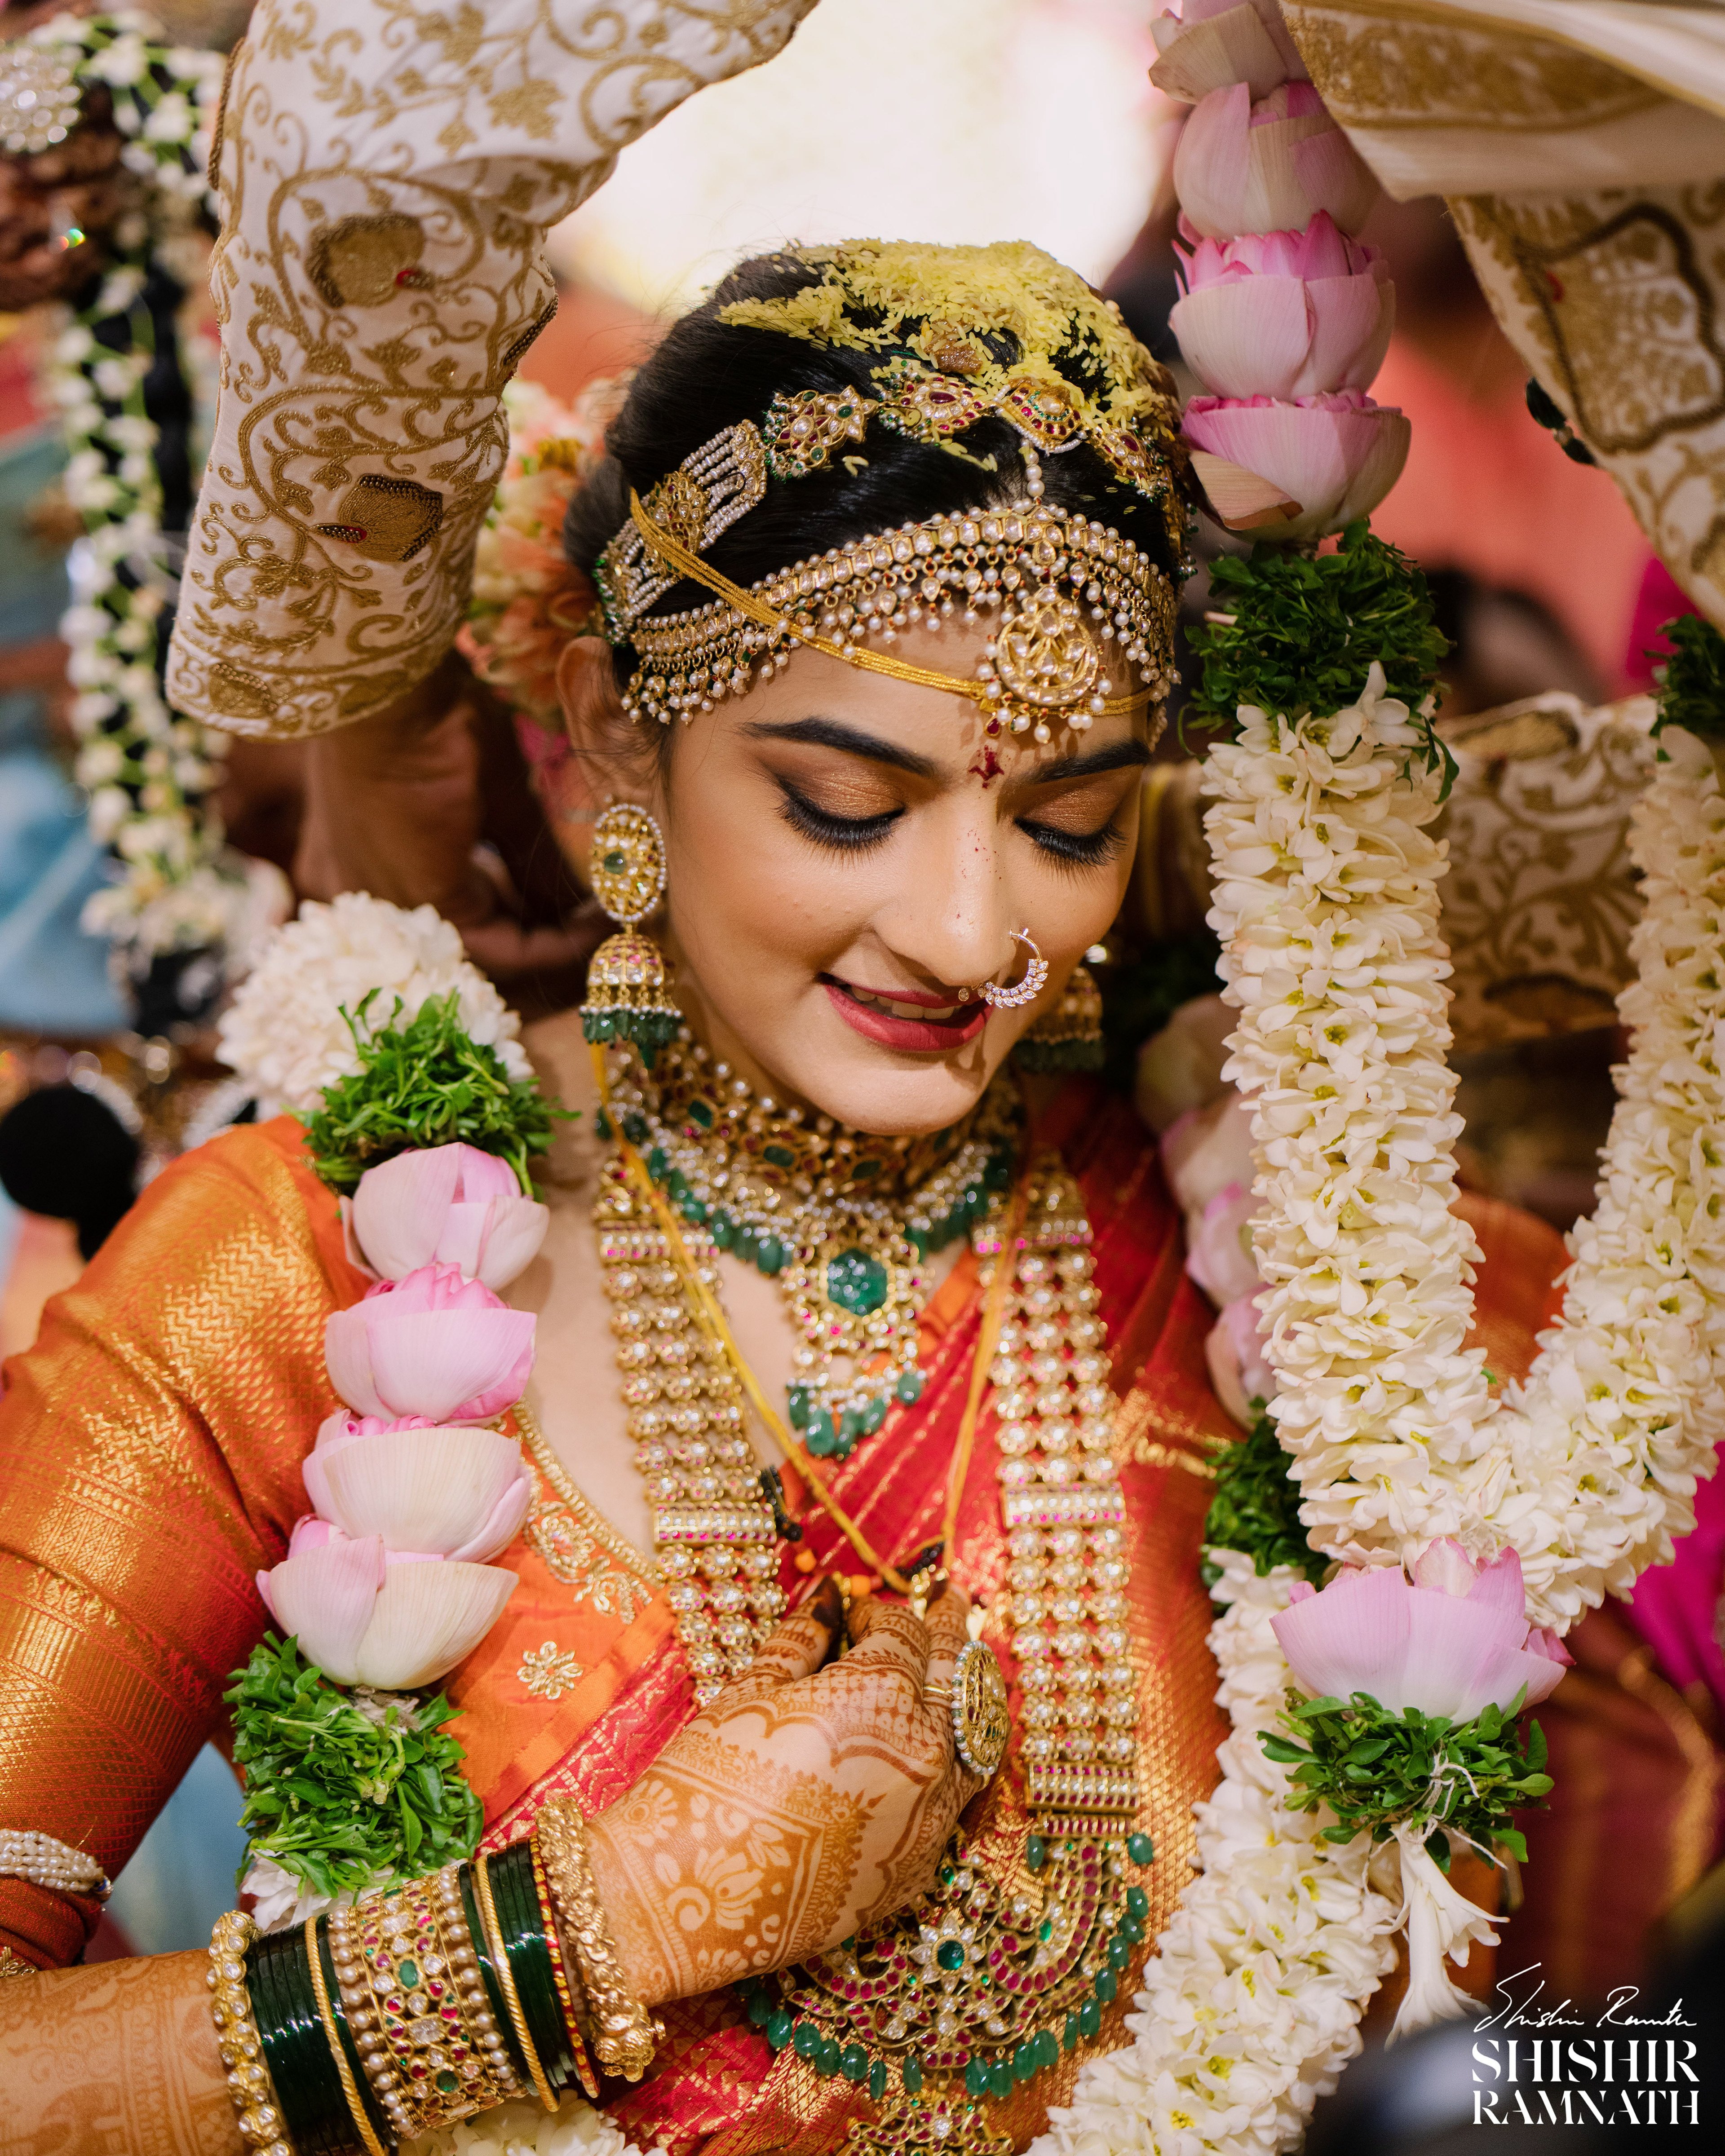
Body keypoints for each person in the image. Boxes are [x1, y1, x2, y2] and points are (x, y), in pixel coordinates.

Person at [0, 5, 1569, 2152]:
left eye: (1071, 817)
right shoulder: (290, 1270)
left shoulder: (1326, 1293)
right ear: (619, 738)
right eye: (845, 801)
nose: (964, 933)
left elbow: (1578, 2047)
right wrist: (600, 1928)